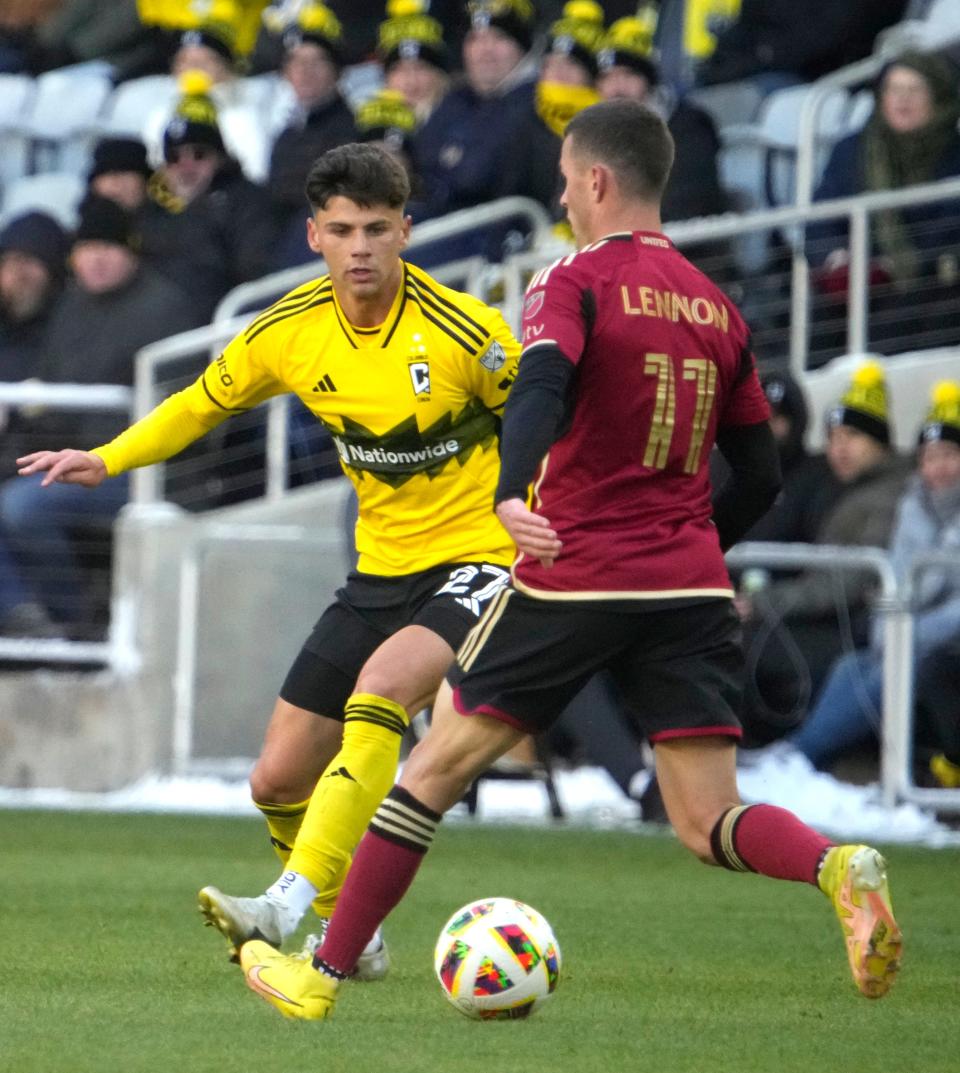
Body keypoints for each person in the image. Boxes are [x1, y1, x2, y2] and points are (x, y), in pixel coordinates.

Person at [235, 101, 902, 1020]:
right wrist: (698, 543)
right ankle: (835, 864)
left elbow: (540, 384)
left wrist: (512, 493)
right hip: (689, 583)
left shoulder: (572, 279)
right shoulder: (716, 305)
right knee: (707, 819)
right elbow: (762, 471)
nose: (560, 193)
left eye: (563, 177)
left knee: (430, 767)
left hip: (577, 564)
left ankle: (324, 972)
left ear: (595, 181)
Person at [18, 143, 522, 974]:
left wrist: (548, 525)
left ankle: (286, 907)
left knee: (383, 690)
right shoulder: (292, 329)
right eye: (342, 229)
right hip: (380, 569)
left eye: (376, 228)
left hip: (480, 560)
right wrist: (108, 457)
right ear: (315, 236)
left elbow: (547, 422)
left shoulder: (468, 332)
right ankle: (354, 931)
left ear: (406, 231)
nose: (360, 247)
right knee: (275, 780)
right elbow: (198, 402)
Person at [1, 195, 201, 634]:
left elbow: (182, 409)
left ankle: (72, 621)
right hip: (71, 458)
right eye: (87, 249)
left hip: (140, 470)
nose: (97, 260)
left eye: (108, 248)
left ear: (130, 252)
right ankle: (26, 617)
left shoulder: (166, 309)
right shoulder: (71, 308)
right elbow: (49, 398)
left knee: (20, 508)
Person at [787, 380, 960, 770]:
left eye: (950, 454)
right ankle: (804, 755)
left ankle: (801, 758)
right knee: (851, 665)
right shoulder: (915, 504)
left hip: (942, 642)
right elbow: (896, 579)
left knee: (898, 667)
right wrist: (891, 630)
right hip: (911, 634)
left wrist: (905, 634)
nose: (938, 468)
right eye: (930, 456)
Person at [736, 362, 910, 738]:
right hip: (834, 621)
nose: (839, 448)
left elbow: (848, 580)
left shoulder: (885, 496)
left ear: (878, 441)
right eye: (832, 437)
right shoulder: (852, 489)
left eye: (852, 435)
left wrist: (766, 601)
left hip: (854, 630)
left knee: (747, 645)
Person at [807, 51, 960, 361]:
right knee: (822, 318)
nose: (902, 99)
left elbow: (950, 227)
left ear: (937, 98)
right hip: (859, 280)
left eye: (915, 90)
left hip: (927, 281)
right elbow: (820, 217)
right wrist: (837, 257)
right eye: (894, 89)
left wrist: (894, 265)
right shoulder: (852, 150)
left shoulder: (954, 155)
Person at [142, 71, 279, 320]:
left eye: (199, 154)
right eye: (174, 158)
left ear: (219, 158)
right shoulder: (152, 213)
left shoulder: (247, 203)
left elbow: (256, 275)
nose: (186, 167)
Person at [267, 2, 358, 269]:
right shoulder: (285, 136)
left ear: (336, 72)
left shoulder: (353, 129)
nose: (305, 71)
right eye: (297, 62)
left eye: (317, 61)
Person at [378, 0, 451, 124]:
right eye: (400, 69)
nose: (411, 80)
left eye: (420, 68)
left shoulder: (463, 122)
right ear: (386, 78)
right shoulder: (370, 130)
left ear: (439, 75)